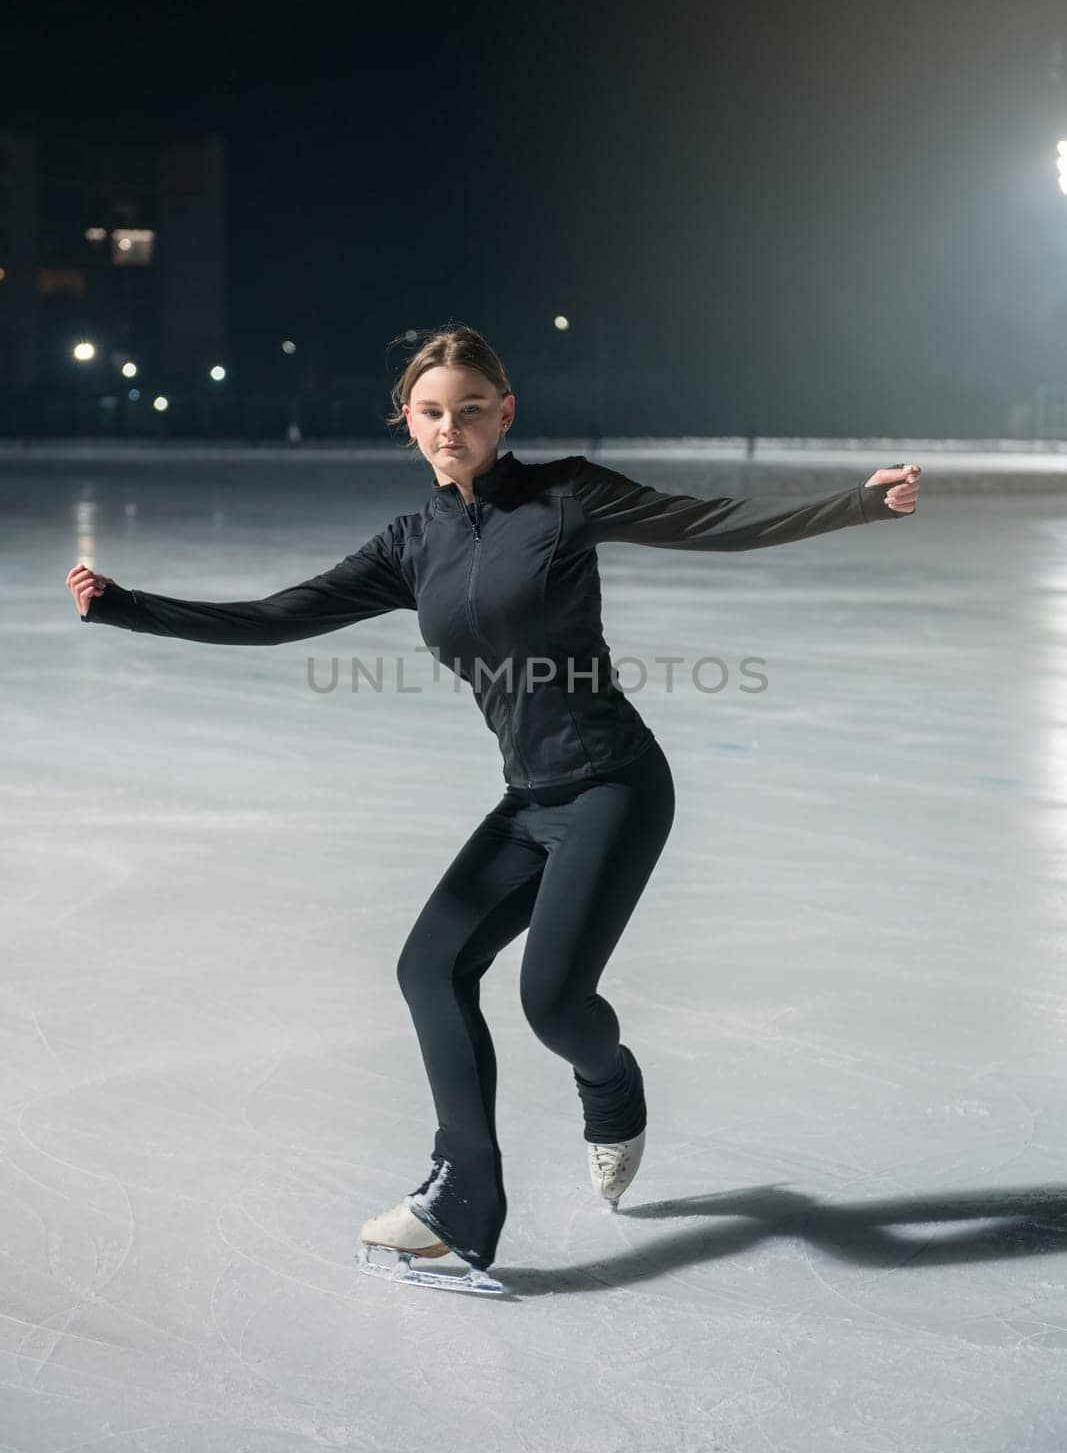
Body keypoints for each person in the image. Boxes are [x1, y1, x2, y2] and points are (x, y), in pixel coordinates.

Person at [67, 323, 922, 1297]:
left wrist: (855, 502)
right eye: (430, 412)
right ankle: (461, 1196)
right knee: (428, 963)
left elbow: (709, 519)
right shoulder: (412, 544)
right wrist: (127, 606)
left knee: (553, 1004)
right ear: (407, 422)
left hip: (614, 785)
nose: (450, 427)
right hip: (529, 799)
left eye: (470, 410)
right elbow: (277, 616)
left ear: (502, 413)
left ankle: (611, 1081)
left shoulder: (563, 495)